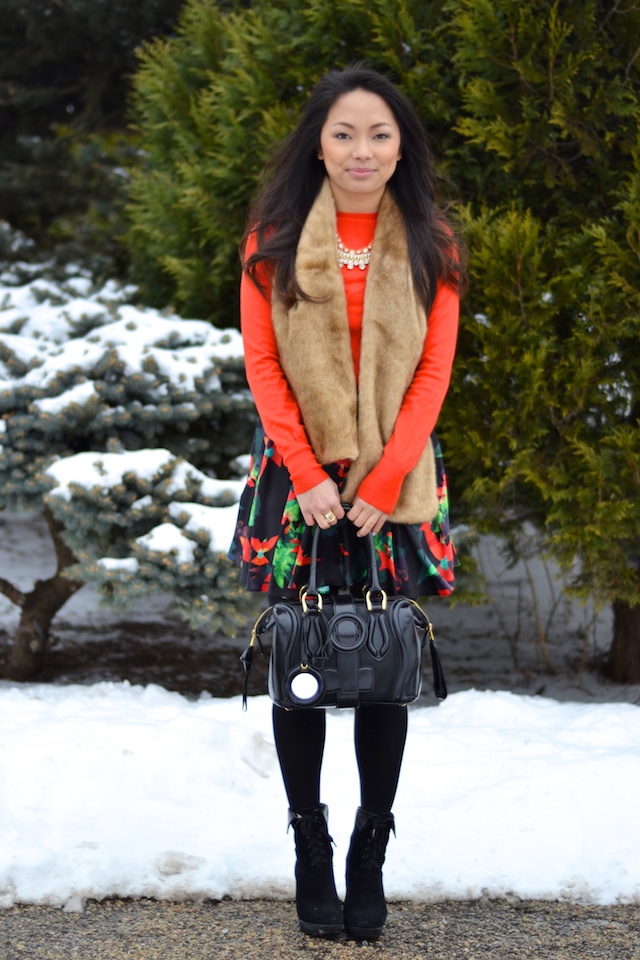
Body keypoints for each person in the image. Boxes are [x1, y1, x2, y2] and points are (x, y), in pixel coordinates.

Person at [229, 65, 465, 941]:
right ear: (317, 144)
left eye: (379, 135)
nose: (362, 151)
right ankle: (309, 844)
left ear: (402, 146)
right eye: (343, 134)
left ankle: (370, 847)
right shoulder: (274, 237)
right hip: (301, 486)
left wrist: (381, 477)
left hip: (391, 487)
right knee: (301, 661)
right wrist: (310, 471)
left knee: (381, 668)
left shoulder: (434, 240)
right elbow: (264, 367)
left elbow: (434, 370)